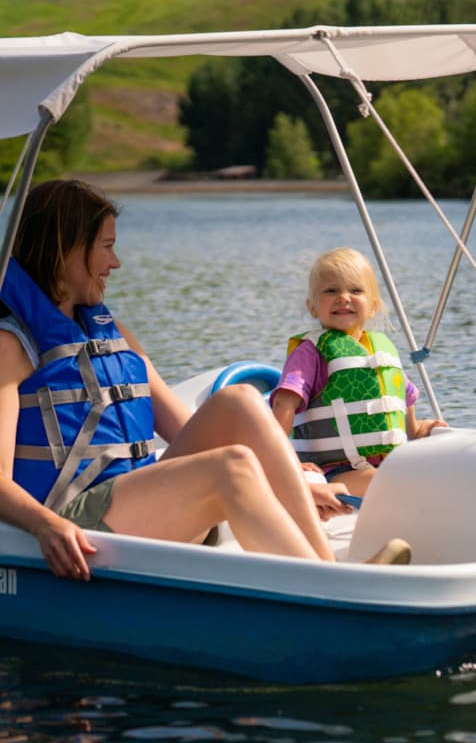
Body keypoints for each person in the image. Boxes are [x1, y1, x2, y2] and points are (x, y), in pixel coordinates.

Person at [0, 181, 412, 580]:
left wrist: (297, 489)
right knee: (230, 466)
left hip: (143, 505)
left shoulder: (114, 334)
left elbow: (192, 429)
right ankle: (330, 590)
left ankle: (329, 571)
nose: (116, 263)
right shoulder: (12, 345)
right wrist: (43, 526)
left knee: (240, 401)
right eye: (107, 246)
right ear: (64, 249)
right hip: (76, 523)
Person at [271, 247, 447, 498]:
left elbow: (401, 396)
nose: (343, 297)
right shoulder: (310, 352)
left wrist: (416, 431)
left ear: (373, 306)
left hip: (384, 466)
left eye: (355, 290)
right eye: (331, 290)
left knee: (443, 475)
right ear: (312, 307)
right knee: (401, 483)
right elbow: (283, 403)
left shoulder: (380, 350)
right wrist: (284, 463)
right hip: (334, 472)